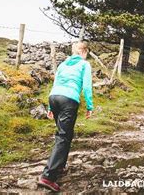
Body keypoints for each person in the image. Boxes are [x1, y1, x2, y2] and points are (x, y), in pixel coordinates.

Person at [37, 41, 94, 192]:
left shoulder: (63, 65)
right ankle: (48, 177)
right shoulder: (84, 64)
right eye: (86, 53)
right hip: (69, 100)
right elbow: (87, 86)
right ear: (84, 52)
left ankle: (59, 166)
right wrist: (90, 106)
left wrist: (50, 107)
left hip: (54, 97)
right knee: (63, 137)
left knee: (64, 135)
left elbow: (56, 83)